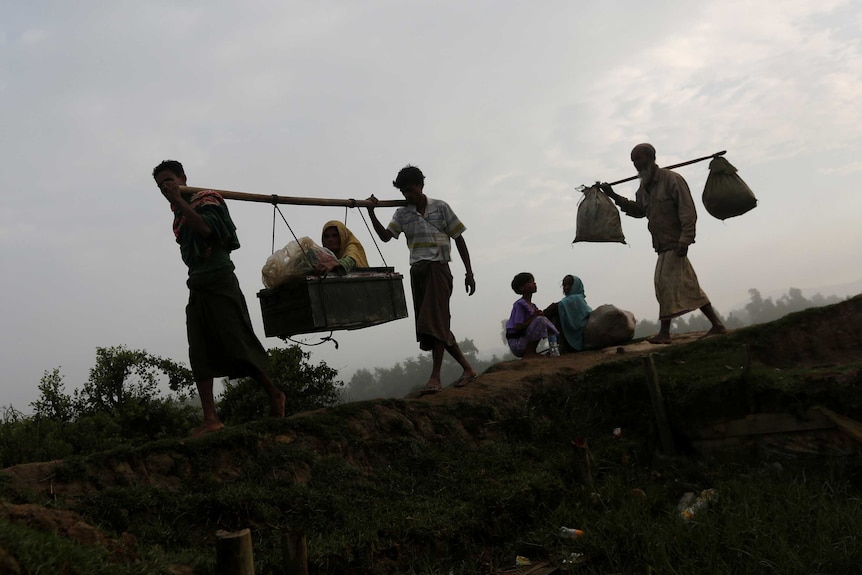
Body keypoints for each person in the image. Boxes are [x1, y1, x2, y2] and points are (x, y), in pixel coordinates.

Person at [152, 160, 286, 436]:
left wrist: (180, 199)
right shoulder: (178, 213)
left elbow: (207, 231)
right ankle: (211, 419)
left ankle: (275, 394)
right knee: (198, 347)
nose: (165, 187)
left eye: (169, 180)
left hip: (220, 278)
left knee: (236, 338)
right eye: (161, 185)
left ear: (183, 178)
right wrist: (178, 202)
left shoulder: (207, 199)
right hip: (198, 283)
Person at [367, 165, 478, 395]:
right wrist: (371, 212)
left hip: (438, 268)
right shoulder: (402, 213)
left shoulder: (441, 207)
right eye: (403, 192)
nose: (407, 195)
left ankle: (435, 376)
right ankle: (467, 369)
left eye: (410, 190)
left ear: (420, 186)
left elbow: (459, 239)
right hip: (417, 271)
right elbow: (386, 237)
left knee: (433, 321)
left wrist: (469, 272)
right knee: (433, 323)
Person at [600, 143, 727, 344]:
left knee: (663, 285)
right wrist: (613, 195)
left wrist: (685, 239)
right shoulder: (643, 188)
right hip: (662, 245)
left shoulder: (672, 180)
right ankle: (717, 325)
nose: (636, 164)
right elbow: (639, 211)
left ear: (651, 158)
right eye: (633, 161)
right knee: (688, 286)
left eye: (639, 159)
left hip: (675, 244)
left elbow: (688, 211)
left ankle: (665, 333)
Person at [506, 273, 560, 359]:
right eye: (530, 282)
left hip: (523, 340)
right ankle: (529, 353)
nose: (534, 284)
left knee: (542, 319)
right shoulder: (520, 305)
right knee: (540, 320)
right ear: (522, 288)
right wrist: (534, 317)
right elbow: (518, 326)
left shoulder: (532, 306)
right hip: (517, 343)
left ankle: (553, 349)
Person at [543, 274, 592, 352]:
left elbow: (557, 307)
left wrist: (544, 313)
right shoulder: (571, 300)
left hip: (578, 335)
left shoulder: (576, 299)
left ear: (576, 285)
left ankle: (557, 348)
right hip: (572, 337)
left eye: (570, 284)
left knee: (554, 317)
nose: (566, 287)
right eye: (564, 285)